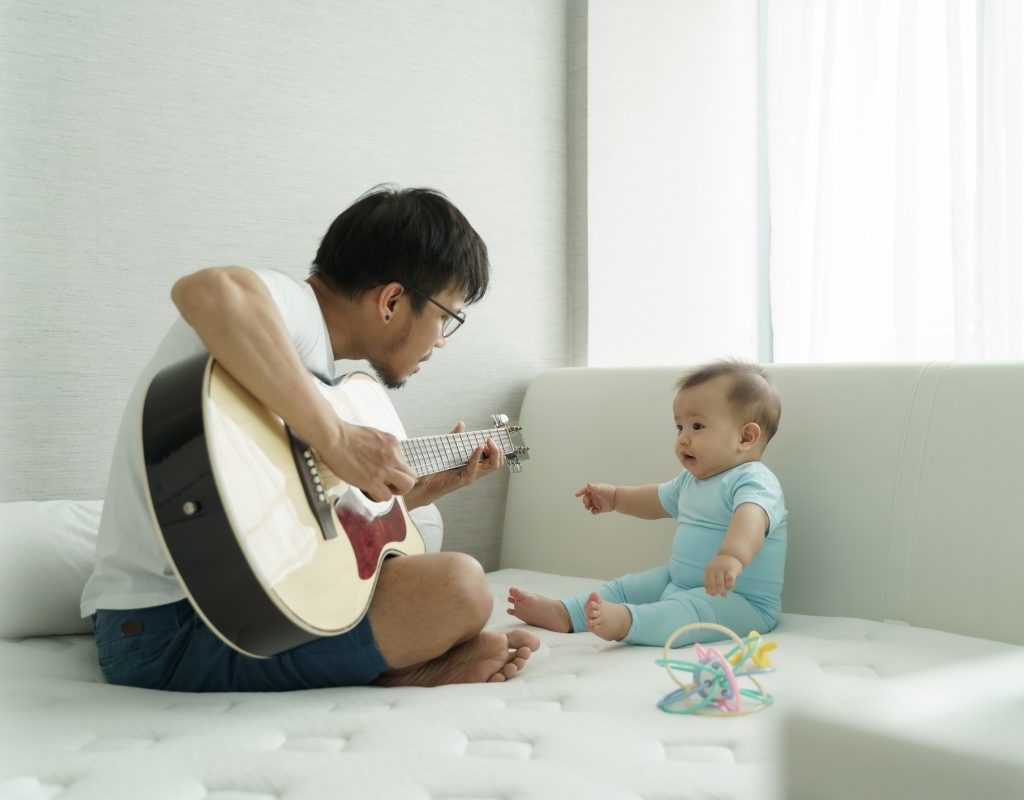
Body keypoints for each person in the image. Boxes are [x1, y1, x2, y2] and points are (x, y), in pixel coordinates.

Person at [81, 185, 540, 691]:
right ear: (391, 300)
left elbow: (309, 529)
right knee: (462, 587)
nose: (442, 341)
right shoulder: (295, 310)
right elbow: (207, 291)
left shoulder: (318, 375)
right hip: (165, 628)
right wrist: (337, 439)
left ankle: (393, 660)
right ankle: (397, 667)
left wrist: (430, 488)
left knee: (444, 582)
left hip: (226, 604)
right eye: (446, 317)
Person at [507, 359, 787, 648]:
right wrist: (615, 497)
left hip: (741, 602)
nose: (683, 438)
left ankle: (628, 622)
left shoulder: (754, 481)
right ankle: (566, 613)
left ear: (745, 437)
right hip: (678, 582)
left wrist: (731, 556)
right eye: (679, 427)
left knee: (685, 612)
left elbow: (751, 519)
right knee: (629, 586)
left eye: (697, 426)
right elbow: (655, 499)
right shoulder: (691, 481)